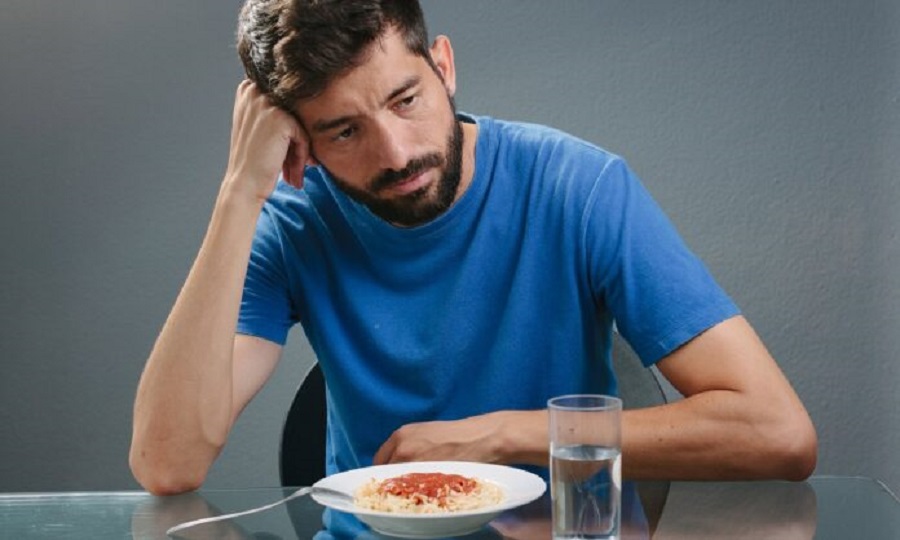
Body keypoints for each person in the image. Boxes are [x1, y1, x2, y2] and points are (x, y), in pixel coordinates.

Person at [130, 0, 816, 522]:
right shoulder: (290, 225)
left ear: (445, 67)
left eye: (406, 100)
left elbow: (777, 433)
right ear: (296, 142)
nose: (395, 153)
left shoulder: (578, 187)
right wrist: (238, 193)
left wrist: (502, 436)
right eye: (344, 130)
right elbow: (167, 463)